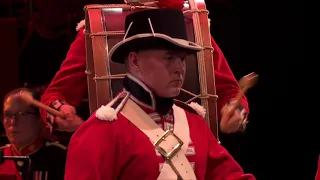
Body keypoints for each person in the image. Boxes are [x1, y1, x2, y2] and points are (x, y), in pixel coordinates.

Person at [64, 8, 255, 180]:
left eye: (182, 59)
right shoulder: (101, 132)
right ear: (134, 61)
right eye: (169, 58)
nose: (180, 68)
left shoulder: (194, 124)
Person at [40, 0, 249, 134]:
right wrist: (60, 111)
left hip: (190, 145)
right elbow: (55, 95)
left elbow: (229, 92)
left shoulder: (190, 22)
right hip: (122, 147)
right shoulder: (97, 27)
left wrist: (234, 111)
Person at [0, 88, 67, 180]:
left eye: (22, 114)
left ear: (40, 119)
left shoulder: (60, 158)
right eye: (8, 115)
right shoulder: (2, 157)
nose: (13, 122)